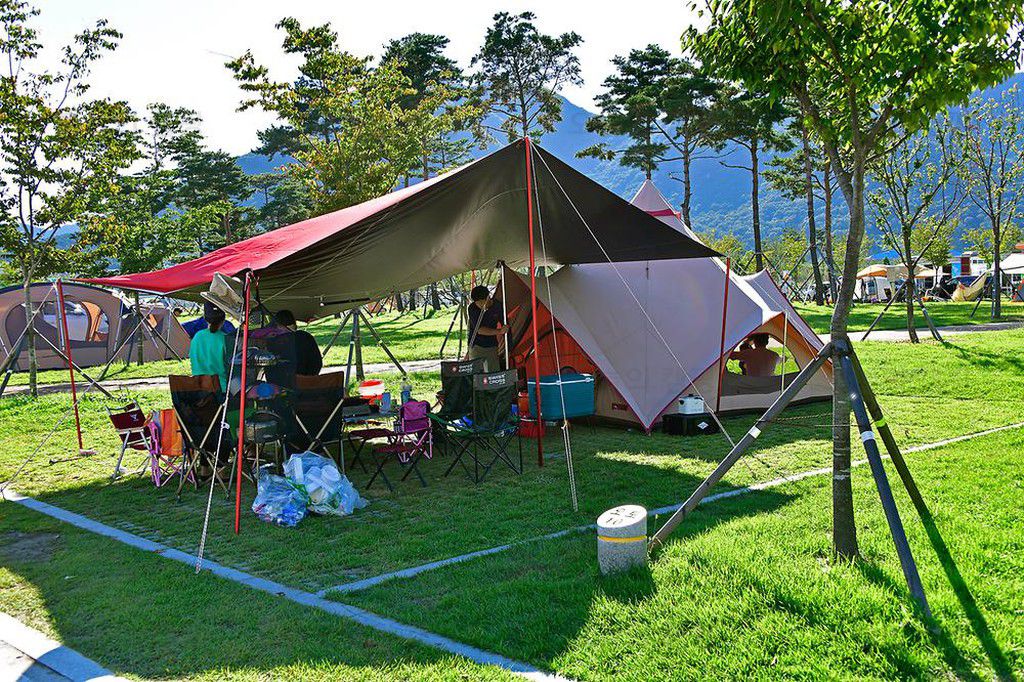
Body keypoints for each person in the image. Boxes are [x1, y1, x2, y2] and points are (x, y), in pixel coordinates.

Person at [189, 302, 230, 391]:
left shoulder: (197, 336)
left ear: (205, 319)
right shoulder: (226, 339)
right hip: (221, 389)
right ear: (224, 320)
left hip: (199, 388)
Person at [466, 285, 506, 372]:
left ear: (488, 297)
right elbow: (480, 330)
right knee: (477, 374)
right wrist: (499, 331)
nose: (479, 305)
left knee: (493, 373)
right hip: (476, 345)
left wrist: (508, 347)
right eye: (477, 302)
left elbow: (505, 325)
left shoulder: (497, 306)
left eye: (481, 302)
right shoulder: (472, 308)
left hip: (491, 346)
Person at [274, 309, 322, 376]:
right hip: (311, 379)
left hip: (291, 379)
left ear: (279, 325)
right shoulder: (305, 336)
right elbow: (317, 363)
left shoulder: (283, 339)